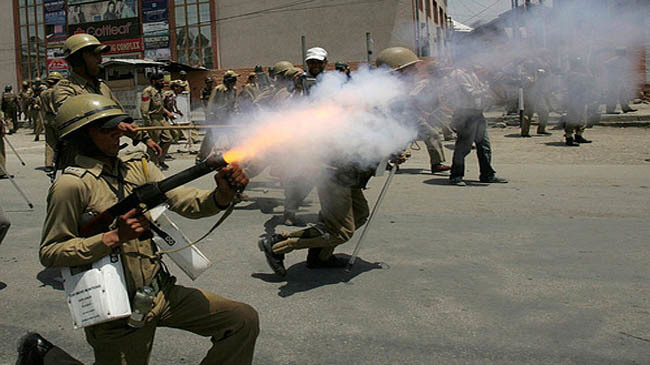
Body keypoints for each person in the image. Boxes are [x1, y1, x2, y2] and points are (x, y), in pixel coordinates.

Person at [29, 93, 258, 365]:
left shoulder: (136, 165)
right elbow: (51, 251)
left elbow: (184, 201)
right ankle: (46, 358)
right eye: (106, 128)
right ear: (82, 135)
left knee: (241, 320)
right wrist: (112, 238)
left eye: (118, 124)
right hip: (117, 311)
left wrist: (221, 195)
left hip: (159, 291)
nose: (118, 132)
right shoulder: (71, 186)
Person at [53, 33, 161, 170]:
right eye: (95, 55)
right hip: (81, 162)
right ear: (78, 60)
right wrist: (115, 125)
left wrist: (145, 138)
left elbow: (121, 116)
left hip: (107, 157)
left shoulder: (102, 86)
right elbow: (75, 121)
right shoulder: (65, 89)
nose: (100, 60)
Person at [447, 63, 507, 186]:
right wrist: (487, 87)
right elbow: (471, 92)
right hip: (465, 113)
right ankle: (456, 175)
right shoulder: (459, 74)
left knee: (484, 145)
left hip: (477, 113)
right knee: (464, 146)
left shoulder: (472, 73)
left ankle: (487, 174)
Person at [199, 70, 239, 161]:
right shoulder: (218, 89)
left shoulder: (234, 90)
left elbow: (234, 104)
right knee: (210, 139)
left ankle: (233, 157)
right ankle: (201, 157)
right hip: (216, 118)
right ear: (228, 80)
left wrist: (236, 114)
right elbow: (211, 104)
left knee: (233, 138)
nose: (235, 82)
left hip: (228, 118)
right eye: (233, 79)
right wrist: (211, 117)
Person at [141, 73, 176, 169]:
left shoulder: (160, 91)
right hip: (153, 119)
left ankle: (161, 160)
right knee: (154, 141)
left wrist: (169, 113)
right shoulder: (147, 91)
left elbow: (160, 106)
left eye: (163, 81)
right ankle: (151, 163)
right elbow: (144, 110)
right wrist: (148, 124)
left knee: (168, 139)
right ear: (153, 81)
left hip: (161, 118)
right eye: (160, 81)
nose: (163, 83)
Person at [564, 57, 593, 146]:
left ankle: (579, 135)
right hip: (574, 99)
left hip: (581, 98)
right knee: (573, 118)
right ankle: (569, 137)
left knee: (582, 118)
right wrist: (586, 69)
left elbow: (590, 81)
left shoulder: (580, 74)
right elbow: (590, 77)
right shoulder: (572, 74)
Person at [40, 72, 64, 173]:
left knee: (49, 142)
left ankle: (48, 164)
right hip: (57, 118)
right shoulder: (59, 92)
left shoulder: (43, 93)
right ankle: (62, 162)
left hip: (47, 118)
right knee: (63, 141)